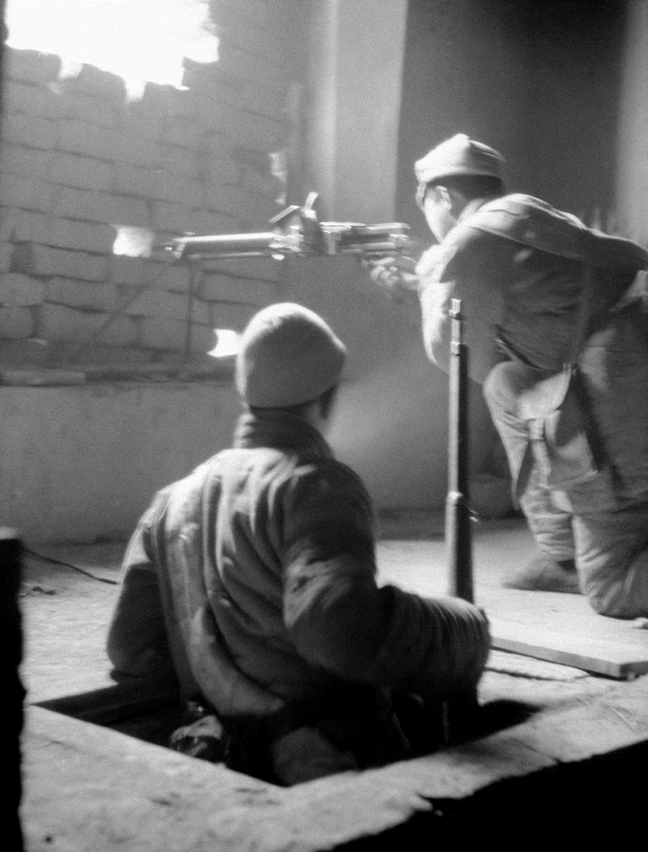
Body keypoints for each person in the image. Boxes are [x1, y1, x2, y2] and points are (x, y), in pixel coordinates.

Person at [106, 301, 490, 785]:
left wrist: (218, 677)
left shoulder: (172, 500)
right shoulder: (315, 485)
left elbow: (131, 649)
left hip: (219, 760)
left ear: (246, 395)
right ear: (327, 399)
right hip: (328, 764)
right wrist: (463, 631)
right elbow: (341, 633)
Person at [369, 133, 648, 620]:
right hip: (627, 353)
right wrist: (428, 282)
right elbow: (503, 352)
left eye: (426, 205)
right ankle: (562, 552)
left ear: (443, 195)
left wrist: (424, 286)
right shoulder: (527, 215)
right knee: (507, 384)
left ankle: (591, 559)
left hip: (617, 388)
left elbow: (457, 355)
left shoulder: (469, 241)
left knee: (610, 587)